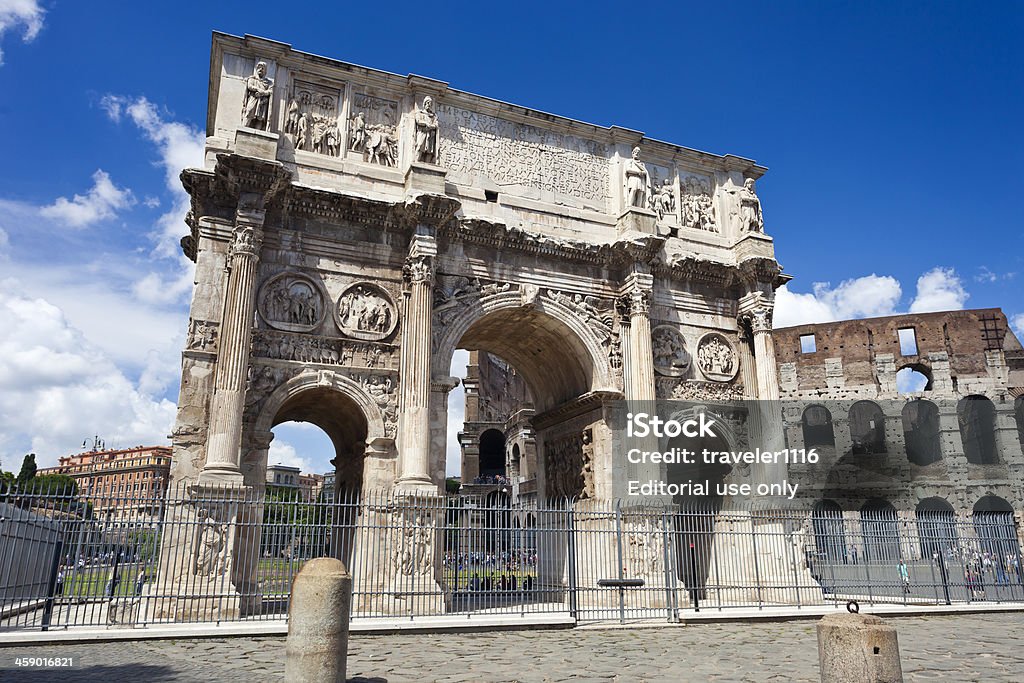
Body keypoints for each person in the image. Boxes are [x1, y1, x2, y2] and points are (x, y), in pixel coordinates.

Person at [241, 61, 274, 130]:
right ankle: (244, 128)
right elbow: (250, 86)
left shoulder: (268, 83)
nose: (260, 69)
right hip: (253, 98)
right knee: (249, 112)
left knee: (260, 118)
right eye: (259, 68)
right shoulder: (252, 79)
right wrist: (258, 89)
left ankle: (258, 134)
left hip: (262, 102)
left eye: (262, 68)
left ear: (265, 71)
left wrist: (262, 93)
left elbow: (270, 91)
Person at [414, 96, 439, 164]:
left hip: (430, 134)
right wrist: (425, 123)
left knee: (430, 150)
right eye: (427, 103)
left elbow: (436, 124)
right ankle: (417, 161)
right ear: (424, 104)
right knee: (420, 145)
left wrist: (432, 126)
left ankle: (427, 164)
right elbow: (418, 120)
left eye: (430, 103)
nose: (429, 104)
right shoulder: (420, 113)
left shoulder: (433, 115)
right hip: (422, 132)